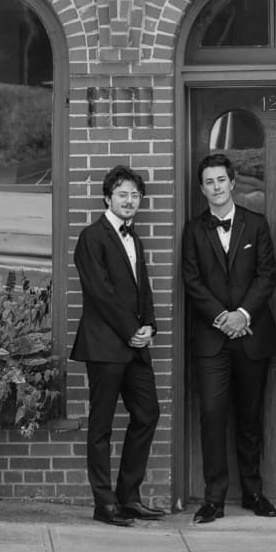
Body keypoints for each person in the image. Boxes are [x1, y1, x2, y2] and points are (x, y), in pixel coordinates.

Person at [180, 152, 276, 523]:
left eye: (221, 180)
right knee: (211, 416)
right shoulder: (193, 230)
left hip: (252, 335)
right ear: (202, 188)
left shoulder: (256, 225)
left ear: (232, 182)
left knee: (249, 417)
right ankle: (214, 498)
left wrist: (243, 315)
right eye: (209, 182)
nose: (216, 187)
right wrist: (223, 318)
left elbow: (266, 276)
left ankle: (254, 492)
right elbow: (191, 281)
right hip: (211, 340)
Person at [70, 164, 164, 526]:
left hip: (137, 344)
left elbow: (143, 288)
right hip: (106, 345)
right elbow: (100, 292)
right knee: (102, 425)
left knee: (147, 413)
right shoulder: (91, 237)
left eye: (135, 195)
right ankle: (103, 502)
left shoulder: (134, 238)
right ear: (108, 197)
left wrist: (150, 326)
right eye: (123, 194)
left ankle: (129, 496)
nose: (130, 201)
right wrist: (130, 329)